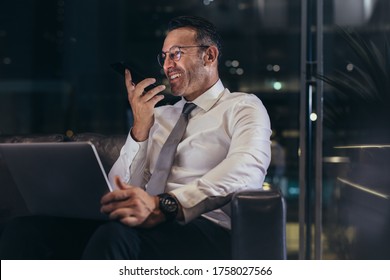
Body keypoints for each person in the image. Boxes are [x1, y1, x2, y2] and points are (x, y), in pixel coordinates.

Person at [0, 15, 271, 260]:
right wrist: (140, 130)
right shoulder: (158, 115)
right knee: (25, 230)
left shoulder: (243, 107)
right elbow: (119, 188)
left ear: (209, 56)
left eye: (176, 54)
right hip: (138, 223)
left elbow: (245, 169)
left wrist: (166, 205)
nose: (167, 66)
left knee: (115, 237)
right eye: (163, 57)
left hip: (205, 228)